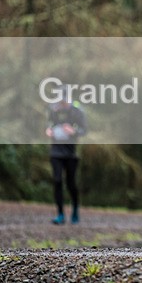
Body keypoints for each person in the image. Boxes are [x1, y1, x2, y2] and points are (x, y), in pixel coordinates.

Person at [45, 87, 87, 225]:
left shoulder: (77, 111)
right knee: (57, 181)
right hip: (56, 151)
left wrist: (73, 131)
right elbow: (49, 124)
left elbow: (84, 130)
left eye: (63, 101)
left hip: (71, 152)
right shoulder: (53, 109)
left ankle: (75, 209)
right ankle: (60, 214)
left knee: (71, 183)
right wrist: (49, 130)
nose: (61, 104)